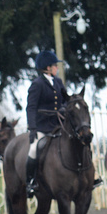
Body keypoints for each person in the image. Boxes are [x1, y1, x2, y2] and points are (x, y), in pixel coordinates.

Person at [25, 50, 67, 198]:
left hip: (59, 125)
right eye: (55, 65)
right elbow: (31, 108)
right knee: (34, 149)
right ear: (47, 68)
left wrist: (64, 108)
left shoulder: (58, 82)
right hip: (43, 126)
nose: (57, 68)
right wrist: (32, 128)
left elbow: (65, 100)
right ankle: (30, 182)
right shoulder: (37, 84)